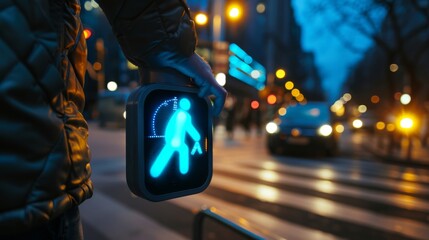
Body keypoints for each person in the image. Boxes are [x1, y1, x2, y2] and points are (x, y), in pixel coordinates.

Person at [0, 0, 227, 239]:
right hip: (35, 176)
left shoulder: (180, 114)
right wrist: (173, 49)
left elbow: (189, 128)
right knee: (167, 157)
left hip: (31, 173)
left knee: (171, 157)